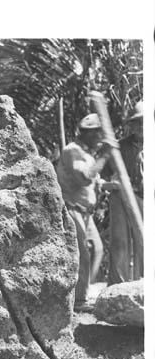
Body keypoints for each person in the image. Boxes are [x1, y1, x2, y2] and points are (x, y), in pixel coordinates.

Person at [56, 113, 112, 310]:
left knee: (97, 250)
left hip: (85, 213)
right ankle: (78, 300)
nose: (99, 138)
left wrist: (109, 185)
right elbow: (84, 178)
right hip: (72, 210)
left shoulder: (87, 155)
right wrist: (105, 155)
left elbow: (94, 181)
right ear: (87, 134)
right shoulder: (73, 151)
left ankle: (83, 292)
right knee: (81, 254)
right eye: (97, 134)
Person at [107, 101, 143, 285]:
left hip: (145, 198)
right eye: (138, 123)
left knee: (144, 242)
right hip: (122, 196)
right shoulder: (120, 147)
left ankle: (142, 283)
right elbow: (101, 177)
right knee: (120, 242)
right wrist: (113, 185)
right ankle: (117, 285)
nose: (141, 127)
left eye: (145, 122)